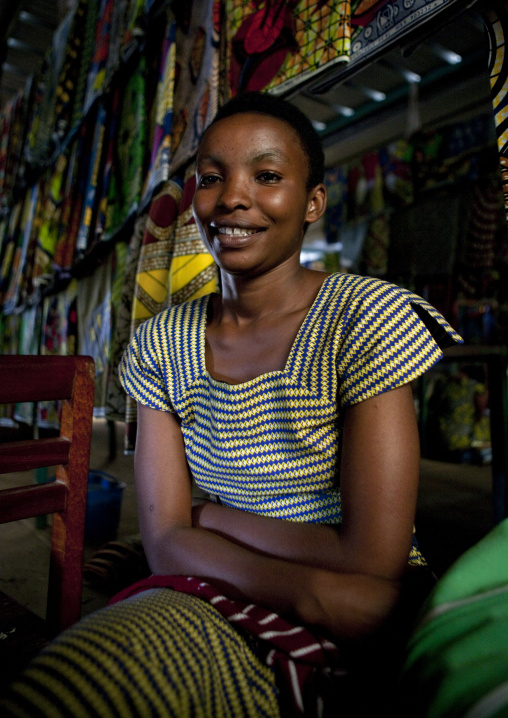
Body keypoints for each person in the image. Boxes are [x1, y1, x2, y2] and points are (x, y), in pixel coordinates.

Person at [1, 91, 462, 717]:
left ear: (312, 203)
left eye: (267, 176)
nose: (233, 197)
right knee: (70, 688)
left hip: (352, 598)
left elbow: (372, 559)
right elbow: (164, 541)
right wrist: (313, 594)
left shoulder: (363, 319)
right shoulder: (162, 343)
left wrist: (211, 520)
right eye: (212, 178)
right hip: (240, 587)